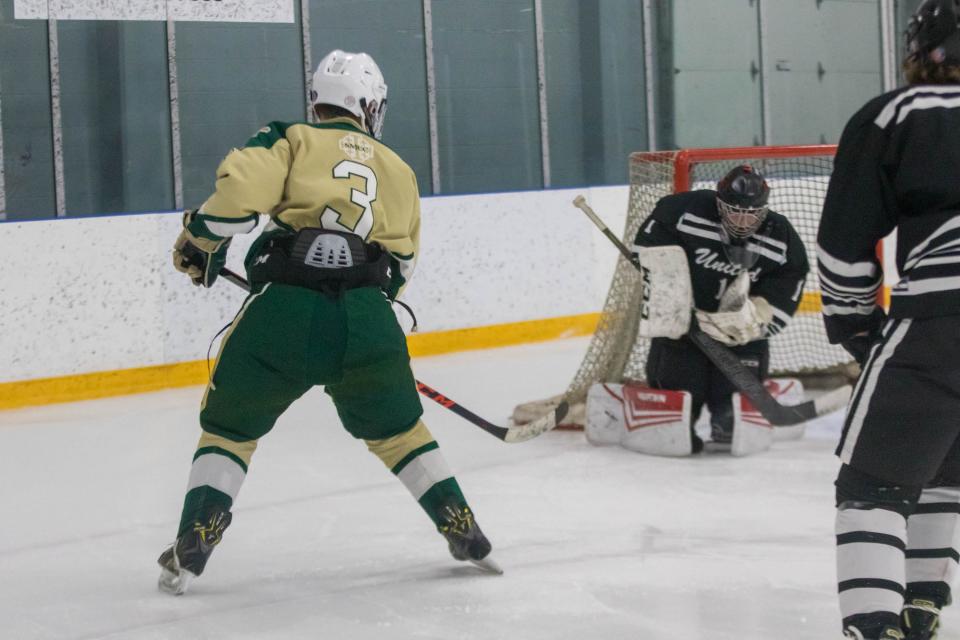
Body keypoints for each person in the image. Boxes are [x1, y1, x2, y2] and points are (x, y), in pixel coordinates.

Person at [157, 49, 497, 595]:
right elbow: (400, 271)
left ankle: (198, 536)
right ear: (368, 105)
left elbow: (239, 200)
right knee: (399, 433)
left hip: (284, 313)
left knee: (231, 429)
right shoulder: (400, 169)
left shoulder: (290, 136)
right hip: (368, 320)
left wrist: (201, 238)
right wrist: (361, 316)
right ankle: (461, 525)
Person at [819, 1, 960, 638]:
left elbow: (845, 245)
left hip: (940, 319)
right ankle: (923, 603)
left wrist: (857, 330)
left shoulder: (895, 114)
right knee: (945, 462)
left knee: (873, 482)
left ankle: (876, 625)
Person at [633, 164, 809, 452]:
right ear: (719, 202)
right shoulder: (684, 211)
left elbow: (791, 276)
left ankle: (726, 415)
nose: (742, 220)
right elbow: (648, 247)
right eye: (734, 210)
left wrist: (757, 317)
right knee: (676, 417)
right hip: (685, 331)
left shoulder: (780, 234)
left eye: (751, 213)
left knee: (733, 420)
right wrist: (671, 301)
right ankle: (676, 412)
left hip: (739, 340)